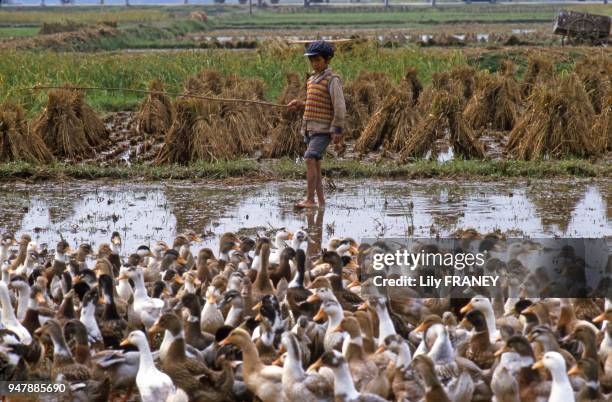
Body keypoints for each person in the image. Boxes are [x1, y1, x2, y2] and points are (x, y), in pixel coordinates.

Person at [288, 40, 346, 209]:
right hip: (309, 128)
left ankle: (310, 199)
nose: (314, 63)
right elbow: (316, 103)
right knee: (316, 165)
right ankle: (320, 202)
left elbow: (339, 106)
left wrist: (337, 128)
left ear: (327, 60)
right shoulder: (312, 79)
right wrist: (301, 104)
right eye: (311, 60)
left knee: (309, 157)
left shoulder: (332, 79)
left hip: (323, 129)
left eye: (317, 60)